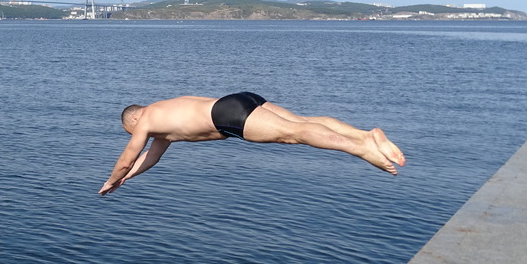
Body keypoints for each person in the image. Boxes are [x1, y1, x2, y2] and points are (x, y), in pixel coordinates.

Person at [99, 92, 406, 195]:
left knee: (295, 135)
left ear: (134, 121)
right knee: (302, 123)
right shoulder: (162, 118)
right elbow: (150, 158)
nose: (139, 138)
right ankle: (364, 136)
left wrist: (110, 181)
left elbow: (129, 156)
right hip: (238, 100)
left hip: (227, 115)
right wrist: (127, 178)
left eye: (133, 134)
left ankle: (361, 149)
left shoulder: (147, 120)